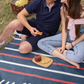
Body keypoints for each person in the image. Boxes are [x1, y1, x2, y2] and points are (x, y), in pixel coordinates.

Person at [38, 0, 84, 69]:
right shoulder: (63, 9)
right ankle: (68, 59)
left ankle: (70, 52)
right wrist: (63, 46)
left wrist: (72, 44)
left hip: (80, 38)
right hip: (69, 35)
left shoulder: (82, 12)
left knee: (79, 58)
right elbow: (64, 29)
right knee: (41, 43)